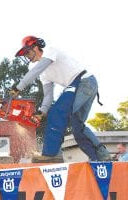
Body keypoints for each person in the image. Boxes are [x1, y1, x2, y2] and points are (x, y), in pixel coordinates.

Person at [10, 35, 111, 163]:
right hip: (84, 84)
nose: (27, 56)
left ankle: (52, 153)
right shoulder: (44, 74)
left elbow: (36, 70)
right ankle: (101, 156)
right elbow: (48, 96)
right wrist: (41, 112)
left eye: (28, 52)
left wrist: (19, 87)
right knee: (77, 126)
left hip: (83, 81)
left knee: (57, 113)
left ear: (36, 47)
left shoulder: (50, 51)